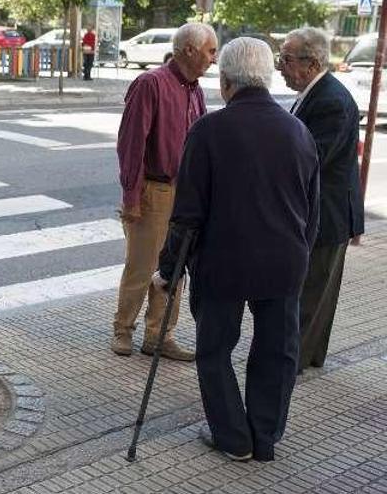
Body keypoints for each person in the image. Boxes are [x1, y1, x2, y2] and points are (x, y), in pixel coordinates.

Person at [156, 37, 320, 462]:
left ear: (227, 81)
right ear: (265, 78)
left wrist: (169, 269)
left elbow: (186, 214)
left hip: (222, 262)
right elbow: (311, 209)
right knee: (277, 351)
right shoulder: (298, 131)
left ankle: (233, 437)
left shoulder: (209, 131)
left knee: (214, 351)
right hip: (284, 262)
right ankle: (265, 438)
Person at [111, 23, 217, 361]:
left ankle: (159, 336)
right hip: (153, 190)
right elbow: (131, 144)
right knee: (142, 267)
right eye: (210, 51)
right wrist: (131, 196)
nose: (213, 59)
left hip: (185, 194)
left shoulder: (196, 90)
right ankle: (123, 330)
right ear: (190, 50)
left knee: (175, 268)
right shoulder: (150, 84)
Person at [278, 28, 365, 373]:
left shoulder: (331, 100)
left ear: (311, 63)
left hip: (328, 214)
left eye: (286, 59)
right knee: (318, 289)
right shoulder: (314, 92)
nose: (281, 66)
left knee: (311, 292)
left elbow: (310, 158)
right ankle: (308, 356)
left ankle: (290, 364)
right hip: (325, 211)